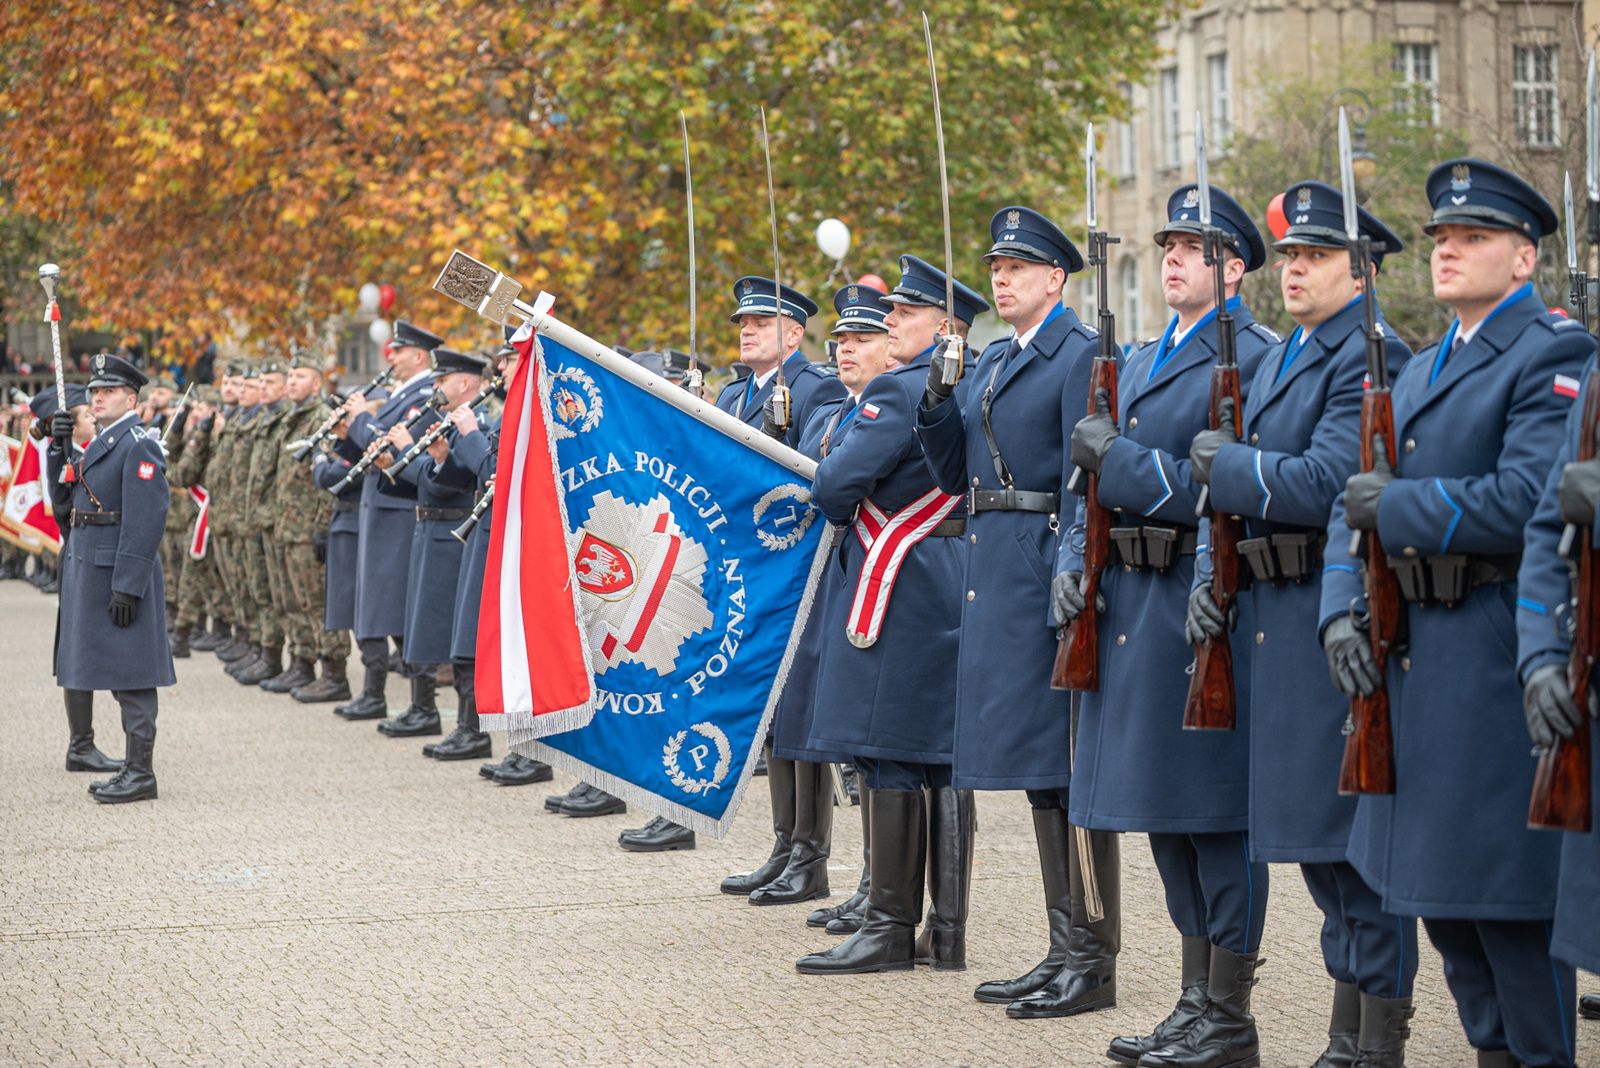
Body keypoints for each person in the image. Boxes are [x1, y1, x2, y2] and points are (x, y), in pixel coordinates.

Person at [1322, 158, 1588, 1068]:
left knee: (1510, 915)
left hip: (1488, 646)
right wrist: (1338, 612)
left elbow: (1527, 498)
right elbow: (1348, 505)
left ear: (1524, 258)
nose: (1448, 252)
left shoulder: (1551, 350)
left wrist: (1393, 510)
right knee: (1445, 914)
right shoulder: (1428, 360)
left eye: (1472, 238)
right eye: (1440, 238)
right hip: (1413, 654)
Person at [1186, 180, 1416, 1065]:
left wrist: (1233, 467)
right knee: (1318, 855)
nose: (1294, 269)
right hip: (1273, 618)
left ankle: (1375, 1042)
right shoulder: (1287, 355)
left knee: (1352, 856)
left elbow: (1327, 481)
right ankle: (1344, 1039)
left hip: (1331, 618)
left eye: (1314, 256)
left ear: (1361, 270)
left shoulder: (1365, 356)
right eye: (1288, 255)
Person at [1061, 184, 1281, 1067]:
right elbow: (1088, 489)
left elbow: (1216, 485)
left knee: (1213, 814)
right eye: (1167, 246)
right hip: (1132, 605)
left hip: (1200, 598)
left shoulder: (1253, 358)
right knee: (1163, 815)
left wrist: (1119, 462)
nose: (1173, 259)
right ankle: (1195, 1000)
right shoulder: (1145, 356)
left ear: (1235, 268)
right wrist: (1076, 567)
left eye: (1192, 247)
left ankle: (1229, 1012)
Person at [915, 208, 1117, 1020]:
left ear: (1055, 279)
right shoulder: (995, 357)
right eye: (996, 266)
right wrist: (938, 394)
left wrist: (1077, 567)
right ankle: (1062, 945)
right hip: (995, 568)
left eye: (1019, 267)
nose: (1001, 278)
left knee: (1069, 773)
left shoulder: (1081, 353)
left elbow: (1089, 476)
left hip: (1045, 566)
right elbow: (950, 468)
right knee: (1039, 776)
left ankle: (1093, 960)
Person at [797, 261, 983, 974]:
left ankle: (887, 927)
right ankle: (948, 930)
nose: (889, 324)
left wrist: (839, 497)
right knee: (938, 756)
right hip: (953, 573)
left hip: (898, 577)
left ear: (943, 328)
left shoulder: (898, 390)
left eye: (902, 315)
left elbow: (837, 483)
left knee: (889, 748)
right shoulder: (975, 382)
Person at [715, 275, 846, 895]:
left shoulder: (814, 386)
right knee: (773, 710)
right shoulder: (736, 392)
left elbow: (816, 472)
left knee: (797, 707)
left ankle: (810, 856)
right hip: (753, 574)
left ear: (793, 334)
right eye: (743, 324)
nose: (747, 331)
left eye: (760, 324)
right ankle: (783, 843)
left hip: (797, 569)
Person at [46, 354, 176, 804]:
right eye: (94, 392)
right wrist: (56, 450)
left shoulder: (137, 444)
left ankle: (141, 771)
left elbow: (147, 518)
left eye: (108, 391)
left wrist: (128, 583)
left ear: (130, 398)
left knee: (133, 671)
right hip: (90, 563)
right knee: (111, 667)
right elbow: (66, 508)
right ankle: (125, 765)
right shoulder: (103, 442)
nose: (97, 398)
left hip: (116, 570)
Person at [332, 322, 439, 724]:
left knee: (399, 608)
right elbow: (370, 446)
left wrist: (360, 418)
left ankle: (422, 702)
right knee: (376, 605)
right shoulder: (399, 393)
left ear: (419, 355)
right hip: (378, 508)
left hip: (398, 510)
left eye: (399, 351)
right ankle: (376, 692)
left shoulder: (424, 395)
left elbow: (394, 444)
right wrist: (346, 434)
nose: (390, 359)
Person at [383, 347, 486, 740]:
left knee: (458, 635)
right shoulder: (447, 421)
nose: (437, 388)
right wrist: (427, 458)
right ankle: (426, 709)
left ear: (463, 383)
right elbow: (432, 478)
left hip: (454, 531)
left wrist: (419, 455)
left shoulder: (479, 422)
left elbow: (446, 483)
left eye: (443, 381)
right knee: (424, 625)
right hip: (430, 528)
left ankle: (468, 726)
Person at [34, 386, 121, 777]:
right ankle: (81, 746)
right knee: (78, 647)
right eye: (85, 415)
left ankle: (88, 744)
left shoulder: (96, 450)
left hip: (98, 557)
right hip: (82, 558)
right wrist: (58, 447)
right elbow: (63, 505)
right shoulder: (66, 456)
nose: (93, 419)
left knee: (95, 645)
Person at [266, 350, 350, 698]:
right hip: (287, 524)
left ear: (316, 382)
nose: (291, 382)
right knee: (292, 599)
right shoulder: (290, 418)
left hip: (307, 527)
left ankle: (334, 673)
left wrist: (320, 526)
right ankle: (301, 662)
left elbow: (327, 480)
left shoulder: (322, 418)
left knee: (317, 602)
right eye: (290, 377)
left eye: (299, 377)